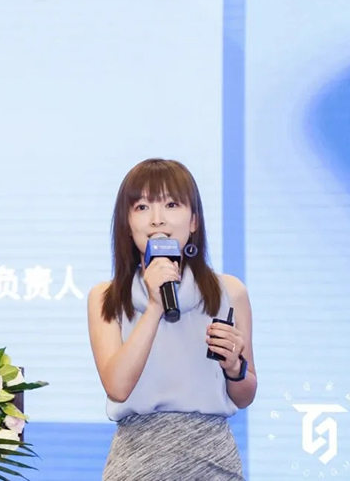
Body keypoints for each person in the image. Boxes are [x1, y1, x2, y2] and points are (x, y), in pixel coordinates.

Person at [87, 158, 257, 480]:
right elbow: (117, 387)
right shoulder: (106, 297)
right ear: (127, 223)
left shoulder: (230, 292)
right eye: (141, 207)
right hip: (137, 463)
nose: (157, 219)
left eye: (171, 204)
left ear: (193, 221)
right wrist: (155, 306)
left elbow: (245, 394)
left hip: (213, 462)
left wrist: (235, 367)